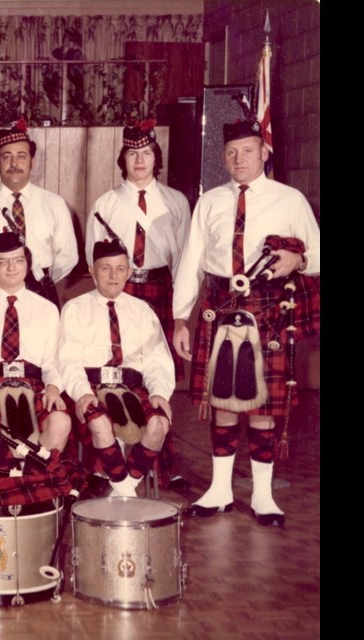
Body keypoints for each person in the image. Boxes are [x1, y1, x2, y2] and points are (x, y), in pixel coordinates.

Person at [172, 118, 320, 527]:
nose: (240, 159)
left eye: (249, 150)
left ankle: (263, 495)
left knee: (262, 407)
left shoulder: (290, 200)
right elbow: (191, 260)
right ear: (224, 157)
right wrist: (180, 318)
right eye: (232, 152)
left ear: (264, 152)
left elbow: (319, 254)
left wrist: (299, 261)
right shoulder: (210, 201)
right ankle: (219, 490)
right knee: (221, 401)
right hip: (219, 303)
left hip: (269, 307)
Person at [85, 119, 190, 487]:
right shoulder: (106, 203)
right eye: (132, 153)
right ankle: (106, 457)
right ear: (123, 159)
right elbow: (92, 257)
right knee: (114, 367)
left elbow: (184, 258)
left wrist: (180, 311)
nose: (140, 160)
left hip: (160, 288)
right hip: (120, 287)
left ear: (155, 157)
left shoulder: (176, 201)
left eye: (146, 153)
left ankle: (165, 460)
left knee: (158, 372)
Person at [59, 239, 175, 497]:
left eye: (121, 268)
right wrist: (82, 393)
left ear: (130, 272)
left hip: (132, 388)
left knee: (159, 425)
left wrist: (158, 392)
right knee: (99, 422)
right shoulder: (75, 309)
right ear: (91, 270)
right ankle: (127, 494)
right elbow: (68, 359)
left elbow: (157, 359)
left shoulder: (143, 310)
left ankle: (122, 488)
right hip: (92, 386)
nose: (114, 276)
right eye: (105, 268)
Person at [0, 231, 71, 463]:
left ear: (28, 264)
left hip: (34, 385)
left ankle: (36, 484)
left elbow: (52, 361)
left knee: (61, 421)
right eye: (3, 261)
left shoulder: (47, 309)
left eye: (18, 260)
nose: (11, 268)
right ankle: (2, 485)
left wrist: (53, 388)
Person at [0, 117, 78, 306]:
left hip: (38, 289)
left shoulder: (54, 204)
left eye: (21, 156)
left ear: (32, 161)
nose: (14, 163)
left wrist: (38, 278)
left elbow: (68, 257)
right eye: (6, 156)